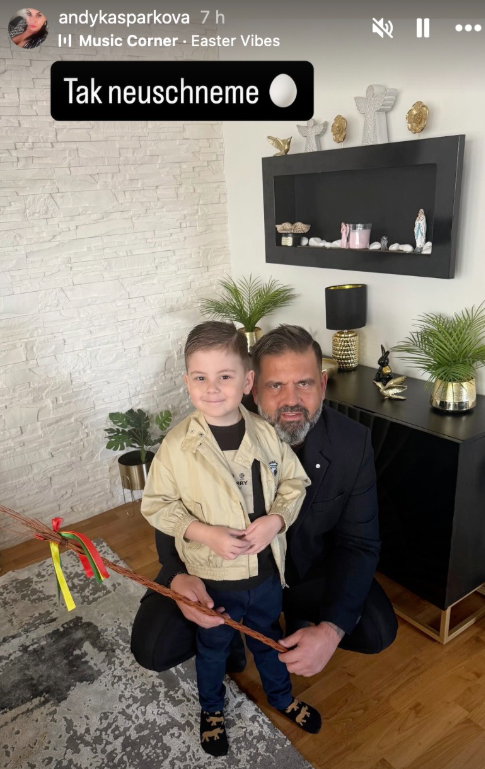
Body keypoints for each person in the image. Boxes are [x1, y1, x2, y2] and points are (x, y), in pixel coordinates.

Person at [131, 325, 397, 682]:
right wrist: (178, 575)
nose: (291, 400)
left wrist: (331, 630)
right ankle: (230, 640)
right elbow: (171, 504)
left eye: (304, 383)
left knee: (376, 628)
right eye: (275, 386)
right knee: (153, 645)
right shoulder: (217, 417)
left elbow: (360, 542)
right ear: (253, 387)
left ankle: (298, 620)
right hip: (217, 573)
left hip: (304, 572)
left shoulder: (353, 442)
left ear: (322, 383)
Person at [140, 321, 321, 756]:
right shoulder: (176, 447)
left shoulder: (267, 433)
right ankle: (212, 709)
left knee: (268, 641)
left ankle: (281, 696)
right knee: (212, 649)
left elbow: (294, 484)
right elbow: (157, 505)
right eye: (200, 377)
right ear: (187, 382)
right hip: (213, 580)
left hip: (264, 576)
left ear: (247, 381)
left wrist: (276, 520)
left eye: (225, 376)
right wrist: (204, 533)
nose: (212, 388)